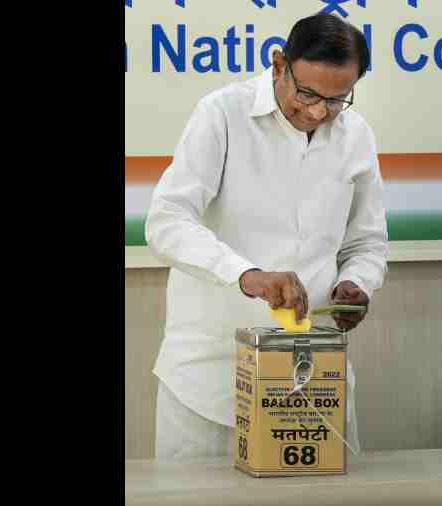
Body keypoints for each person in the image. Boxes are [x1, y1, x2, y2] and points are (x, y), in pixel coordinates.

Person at [145, 12, 388, 460]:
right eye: (308, 93)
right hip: (210, 381)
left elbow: (367, 242)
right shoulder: (221, 115)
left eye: (337, 99)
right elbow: (167, 221)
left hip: (314, 380)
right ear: (279, 65)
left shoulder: (356, 136)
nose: (318, 111)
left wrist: (358, 282)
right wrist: (248, 275)